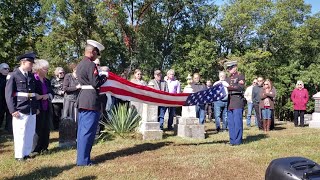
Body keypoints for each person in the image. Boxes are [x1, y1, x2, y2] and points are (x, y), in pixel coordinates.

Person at [76, 39, 108, 166]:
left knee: (82, 131)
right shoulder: (90, 64)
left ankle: (82, 158)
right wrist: (104, 76)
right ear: (92, 52)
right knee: (87, 132)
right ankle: (83, 161)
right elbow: (95, 83)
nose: (96, 56)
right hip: (90, 100)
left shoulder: (80, 64)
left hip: (84, 99)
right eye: (96, 53)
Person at [5, 52, 40, 161]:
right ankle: (19, 156)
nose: (32, 66)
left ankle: (26, 153)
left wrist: (36, 107)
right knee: (20, 132)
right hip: (20, 108)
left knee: (30, 132)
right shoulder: (13, 75)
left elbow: (33, 93)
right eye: (30, 63)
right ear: (23, 62)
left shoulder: (30, 75)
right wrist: (12, 110)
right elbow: (8, 94)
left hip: (31, 108)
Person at [32, 59, 54, 155]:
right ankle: (36, 149)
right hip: (37, 107)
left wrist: (48, 96)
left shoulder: (47, 81)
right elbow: (33, 94)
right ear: (39, 69)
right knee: (38, 128)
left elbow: (52, 92)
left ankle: (44, 147)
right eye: (45, 69)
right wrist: (40, 97)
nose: (47, 71)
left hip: (47, 107)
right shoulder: (33, 80)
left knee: (46, 127)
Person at [225, 61, 245, 146]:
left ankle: (238, 141)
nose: (229, 69)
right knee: (231, 123)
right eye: (228, 68)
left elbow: (240, 87)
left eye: (230, 68)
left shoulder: (240, 76)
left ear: (235, 67)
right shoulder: (227, 79)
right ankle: (232, 140)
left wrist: (230, 88)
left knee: (237, 123)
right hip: (230, 102)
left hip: (237, 101)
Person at [0, 63, 12, 132]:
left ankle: (8, 128)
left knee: (9, 115)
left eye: (8, 68)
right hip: (1, 100)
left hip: (7, 100)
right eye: (5, 68)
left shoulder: (10, 78)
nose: (7, 70)